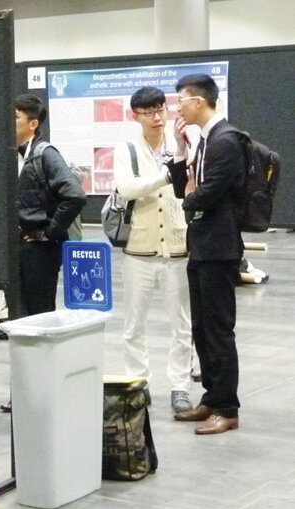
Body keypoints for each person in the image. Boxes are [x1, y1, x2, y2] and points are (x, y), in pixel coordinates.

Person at [166, 73, 246, 435]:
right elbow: (187, 184)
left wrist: (189, 199)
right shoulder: (204, 140)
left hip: (219, 247)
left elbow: (206, 193)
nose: (177, 105)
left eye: (181, 98)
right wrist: (181, 153)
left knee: (218, 329)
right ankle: (212, 398)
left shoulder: (226, 140)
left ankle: (227, 407)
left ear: (198, 101)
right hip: (202, 245)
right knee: (201, 326)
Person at [113, 87, 193, 413]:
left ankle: (180, 387)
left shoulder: (182, 145)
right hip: (138, 249)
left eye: (161, 110)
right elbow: (127, 188)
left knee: (182, 324)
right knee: (133, 324)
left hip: (177, 247)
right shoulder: (127, 149)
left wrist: (179, 160)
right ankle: (137, 383)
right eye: (149, 112)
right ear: (137, 116)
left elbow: (191, 186)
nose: (158, 117)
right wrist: (164, 176)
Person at [14, 94, 86, 316]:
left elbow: (75, 196)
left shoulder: (45, 154)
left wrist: (49, 232)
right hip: (17, 247)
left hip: (40, 250)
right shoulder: (10, 154)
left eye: (15, 117)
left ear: (33, 124)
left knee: (40, 312)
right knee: (19, 312)